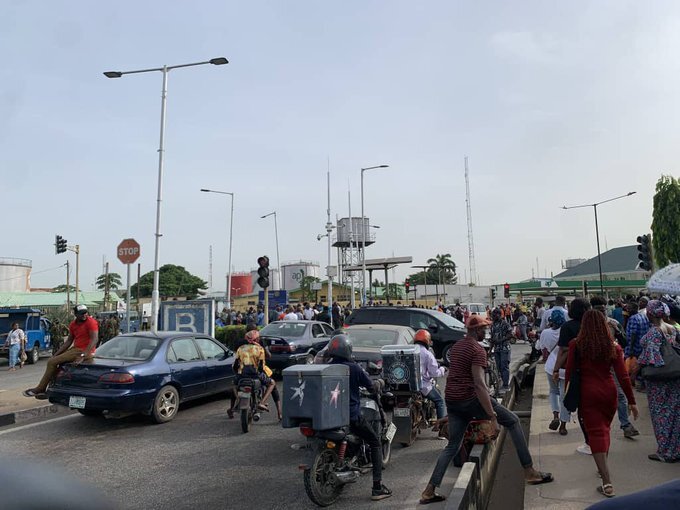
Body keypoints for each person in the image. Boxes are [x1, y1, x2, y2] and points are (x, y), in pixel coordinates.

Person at [420, 315, 553, 504]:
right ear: (475, 330)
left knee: (453, 446)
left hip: (453, 399)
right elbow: (480, 385)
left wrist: (451, 414)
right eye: (483, 329)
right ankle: (529, 471)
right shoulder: (477, 350)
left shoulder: (457, 347)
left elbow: (454, 377)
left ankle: (429, 490)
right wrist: (492, 417)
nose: (486, 332)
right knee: (513, 421)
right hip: (470, 399)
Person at [565, 310, 638, 498]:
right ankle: (602, 466)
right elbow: (623, 376)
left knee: (595, 433)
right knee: (604, 429)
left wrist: (568, 398)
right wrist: (632, 401)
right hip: (609, 393)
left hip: (587, 394)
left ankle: (606, 482)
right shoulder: (613, 347)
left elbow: (570, 372)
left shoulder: (576, 345)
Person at [326, 334, 392, 501]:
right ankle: (377, 487)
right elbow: (371, 387)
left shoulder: (325, 368)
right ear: (348, 349)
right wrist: (379, 384)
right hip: (351, 417)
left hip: (328, 416)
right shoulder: (354, 368)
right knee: (375, 443)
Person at [23, 305, 99, 399]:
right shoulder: (73, 324)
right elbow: (69, 341)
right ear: (75, 314)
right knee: (55, 363)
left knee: (51, 362)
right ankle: (52, 389)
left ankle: (41, 388)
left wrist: (83, 355)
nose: (84, 315)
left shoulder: (91, 322)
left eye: (85, 313)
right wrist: (56, 354)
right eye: (81, 313)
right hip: (75, 349)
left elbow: (94, 339)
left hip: (84, 351)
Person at [637, 300, 680, 463]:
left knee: (661, 414)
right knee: (674, 414)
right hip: (675, 375)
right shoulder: (672, 328)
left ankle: (665, 451)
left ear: (649, 313)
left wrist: (636, 369)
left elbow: (651, 356)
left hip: (659, 379)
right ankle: (676, 448)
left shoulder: (654, 332)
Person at [590, 296, 639, 438]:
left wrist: (616, 331)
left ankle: (625, 425)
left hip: (609, 366)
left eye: (602, 308)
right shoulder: (587, 325)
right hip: (594, 368)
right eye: (598, 309)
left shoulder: (612, 323)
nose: (601, 311)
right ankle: (604, 426)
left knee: (620, 396)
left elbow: (624, 342)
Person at [552, 297, 592, 455]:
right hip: (595, 371)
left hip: (575, 371)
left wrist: (556, 369)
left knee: (576, 403)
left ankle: (589, 442)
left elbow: (562, 351)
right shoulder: (593, 326)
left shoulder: (568, 327)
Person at [228, 329, 276, 419]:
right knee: (272, 383)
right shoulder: (260, 349)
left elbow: (235, 365)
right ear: (257, 339)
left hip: (241, 375)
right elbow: (261, 367)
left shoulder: (240, 349)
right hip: (256, 375)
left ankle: (238, 400)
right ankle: (261, 402)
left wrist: (238, 373)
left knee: (233, 384)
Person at [536, 309, 569, 435]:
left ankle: (555, 415)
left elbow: (541, 348)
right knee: (564, 395)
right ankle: (563, 425)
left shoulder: (545, 332)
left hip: (551, 367)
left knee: (553, 392)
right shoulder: (566, 331)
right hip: (564, 368)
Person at [413, 329, 447, 421]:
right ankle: (441, 428)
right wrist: (442, 369)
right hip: (422, 386)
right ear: (427, 341)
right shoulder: (427, 354)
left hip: (406, 386)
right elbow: (434, 373)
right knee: (439, 401)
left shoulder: (409, 350)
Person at [489, 307, 513, 390]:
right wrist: (489, 350)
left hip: (505, 348)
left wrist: (500, 340)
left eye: (494, 315)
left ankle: (506, 385)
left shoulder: (505, 324)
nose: (493, 317)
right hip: (497, 349)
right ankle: (503, 382)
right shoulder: (492, 325)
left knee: (504, 366)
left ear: (499, 315)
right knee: (498, 367)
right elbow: (492, 338)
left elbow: (510, 335)